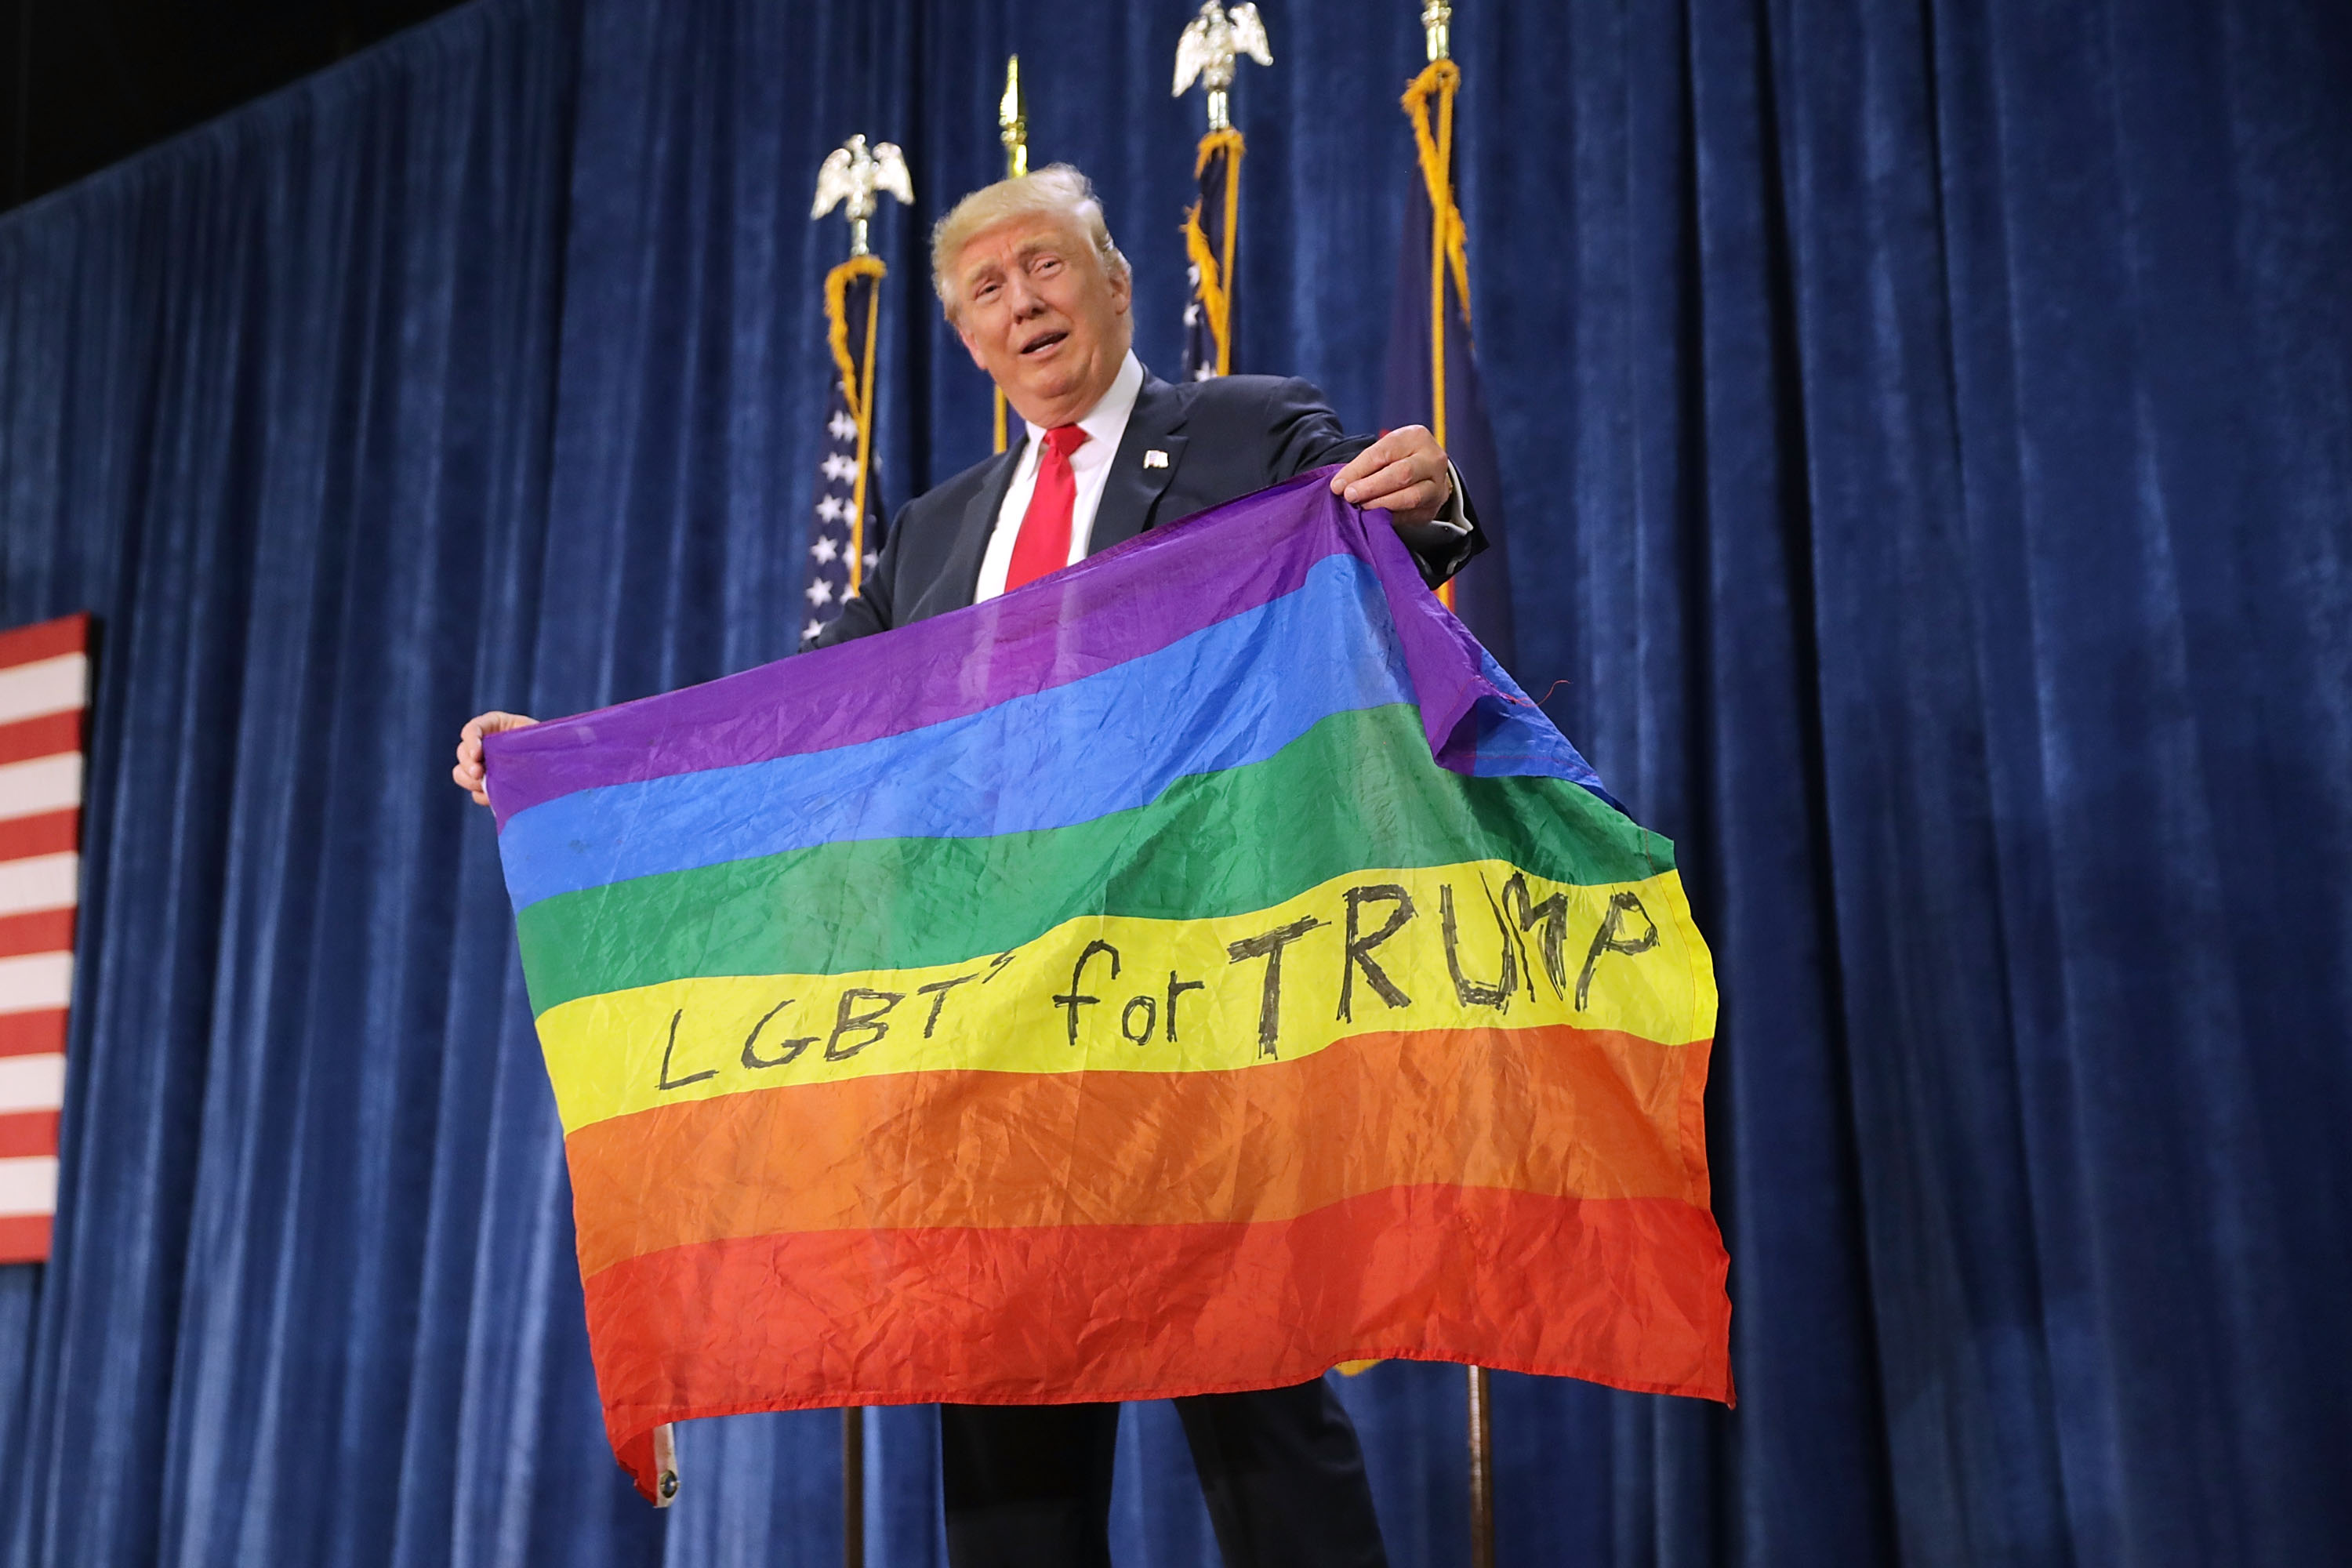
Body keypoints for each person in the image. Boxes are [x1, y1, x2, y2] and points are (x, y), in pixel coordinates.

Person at [453, 165, 1486, 1568]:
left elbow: (1376, 534)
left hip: (1181, 1010)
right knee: (1009, 1451)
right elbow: (802, 715)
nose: (1024, 303)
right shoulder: (936, 531)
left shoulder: (1246, 427)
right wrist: (570, 758)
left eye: (1046, 267)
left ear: (1114, 280)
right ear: (965, 335)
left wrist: (1428, 499)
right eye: (987, 290)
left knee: (1260, 1416)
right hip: (992, 1037)